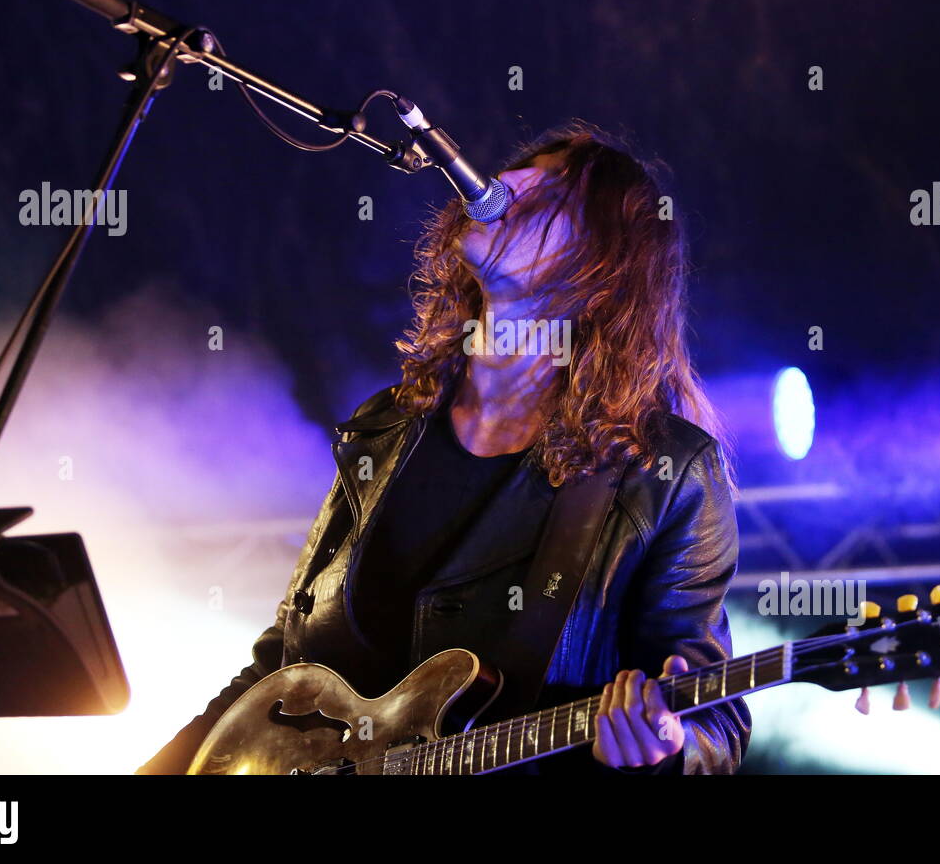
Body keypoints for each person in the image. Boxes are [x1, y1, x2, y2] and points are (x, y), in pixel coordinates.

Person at [140, 120, 749, 774]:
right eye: (518, 171)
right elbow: (280, 668)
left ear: (601, 263)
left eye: (549, 193)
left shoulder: (662, 474)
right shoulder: (388, 426)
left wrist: (669, 750)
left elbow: (717, 720)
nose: (504, 182)